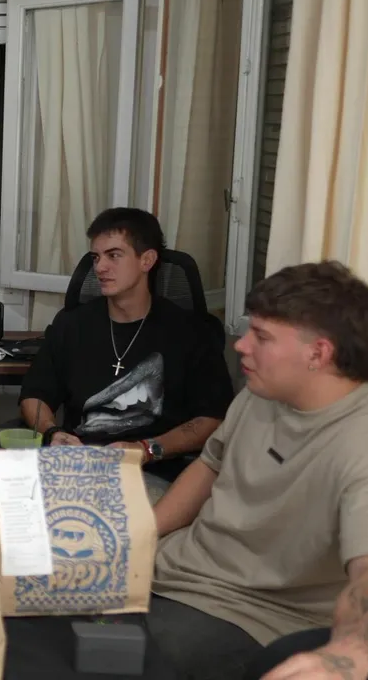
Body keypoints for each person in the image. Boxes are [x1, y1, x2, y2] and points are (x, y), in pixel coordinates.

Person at [146, 262, 368, 680]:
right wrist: (136, 536)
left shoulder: (362, 441)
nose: (241, 345)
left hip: (248, 614)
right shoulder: (263, 391)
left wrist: (351, 652)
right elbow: (210, 465)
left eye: (262, 337)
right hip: (174, 569)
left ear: (318, 353)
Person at [19, 208, 234, 499]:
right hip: (77, 466)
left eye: (114, 255)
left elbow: (212, 419)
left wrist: (146, 449)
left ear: (147, 260)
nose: (100, 267)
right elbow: (35, 395)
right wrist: (52, 432)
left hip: (153, 471)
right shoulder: (71, 325)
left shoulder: (191, 332)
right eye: (96, 257)